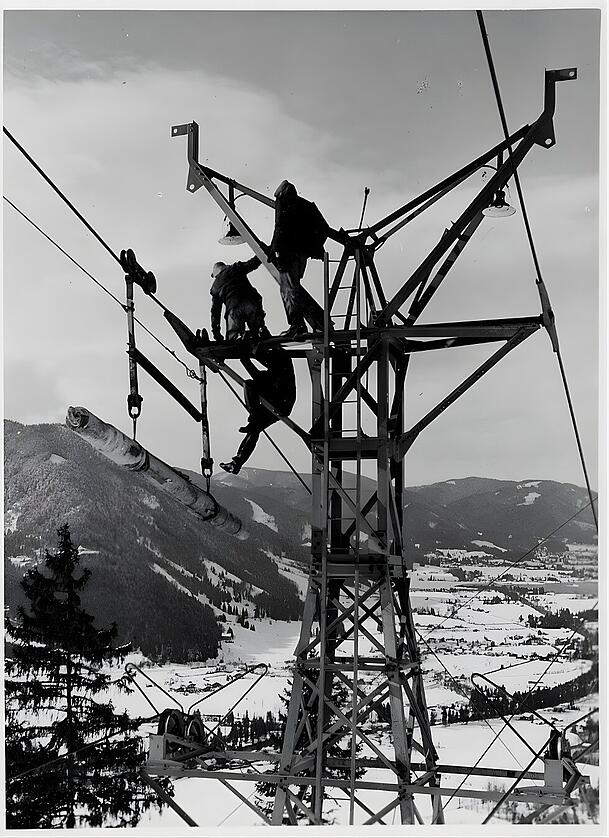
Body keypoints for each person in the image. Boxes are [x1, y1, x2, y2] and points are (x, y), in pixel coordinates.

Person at [268, 180, 330, 338]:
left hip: (288, 254)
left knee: (288, 289)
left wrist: (274, 251)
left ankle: (297, 325)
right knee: (294, 287)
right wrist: (312, 248)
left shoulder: (284, 203)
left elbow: (279, 228)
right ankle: (302, 324)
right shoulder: (306, 206)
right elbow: (324, 228)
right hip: (301, 255)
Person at [220, 345, 296, 474]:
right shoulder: (277, 369)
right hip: (277, 402)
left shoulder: (280, 368)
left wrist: (245, 357)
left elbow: (258, 372)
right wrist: (245, 358)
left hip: (280, 404)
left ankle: (237, 461)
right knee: (254, 429)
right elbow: (257, 372)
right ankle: (236, 462)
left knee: (250, 385)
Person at [210, 256, 269, 342]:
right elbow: (253, 263)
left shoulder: (215, 287)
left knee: (233, 339)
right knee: (257, 329)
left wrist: (216, 333)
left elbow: (215, 312)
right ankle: (260, 330)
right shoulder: (235, 268)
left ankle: (239, 336)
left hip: (234, 309)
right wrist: (264, 251)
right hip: (252, 305)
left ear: (215, 274)